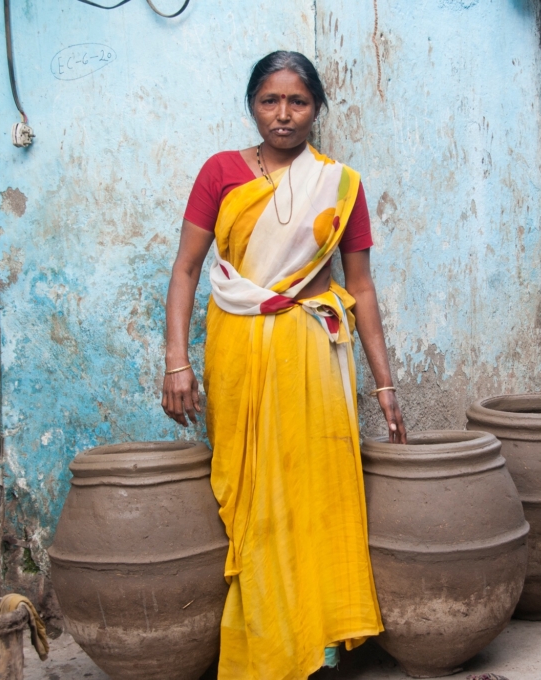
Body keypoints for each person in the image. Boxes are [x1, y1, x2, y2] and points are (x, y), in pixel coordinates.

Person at [161, 51, 407, 679]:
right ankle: (268, 641)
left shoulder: (340, 184)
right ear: (252, 105)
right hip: (238, 349)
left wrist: (384, 381)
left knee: (314, 491)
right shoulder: (219, 172)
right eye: (271, 100)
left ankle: (317, 644)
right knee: (255, 501)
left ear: (317, 109)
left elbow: (362, 288)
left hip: (314, 353)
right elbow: (186, 269)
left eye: (298, 101)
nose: (284, 114)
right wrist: (175, 362)